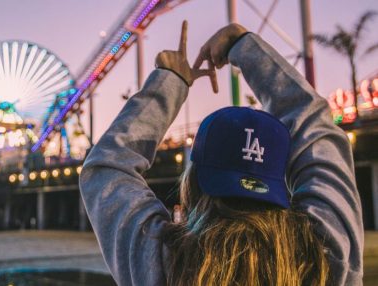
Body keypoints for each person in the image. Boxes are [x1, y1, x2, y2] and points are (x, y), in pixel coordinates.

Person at [79, 22, 363, 285]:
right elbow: (316, 126)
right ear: (278, 179)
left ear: (193, 181)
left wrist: (169, 82)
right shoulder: (325, 255)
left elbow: (106, 166)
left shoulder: (163, 261)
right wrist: (244, 45)